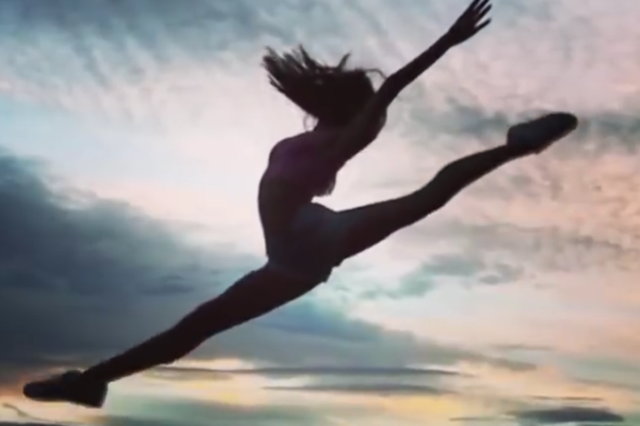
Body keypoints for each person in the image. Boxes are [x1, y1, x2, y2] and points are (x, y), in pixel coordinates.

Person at [23, 0, 578, 409]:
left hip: (296, 247)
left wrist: (446, 42)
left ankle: (90, 381)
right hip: (311, 241)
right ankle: (515, 147)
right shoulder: (326, 137)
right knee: (423, 199)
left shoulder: (342, 139)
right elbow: (383, 94)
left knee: (193, 330)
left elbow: (391, 88)